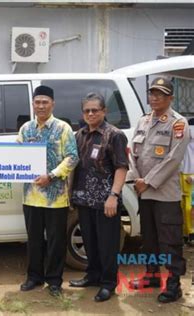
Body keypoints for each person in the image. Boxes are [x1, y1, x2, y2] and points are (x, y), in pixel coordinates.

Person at [127, 77, 189, 303]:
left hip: (164, 194)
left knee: (169, 240)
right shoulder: (143, 121)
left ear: (170, 98)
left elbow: (174, 159)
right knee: (149, 239)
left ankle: (174, 285)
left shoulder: (178, 123)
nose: (154, 98)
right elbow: (132, 152)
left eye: (160, 94)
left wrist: (149, 181)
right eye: (152, 93)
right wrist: (135, 178)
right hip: (143, 191)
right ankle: (152, 277)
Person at [17, 85, 79, 297]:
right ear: (33, 104)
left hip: (56, 199)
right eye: (38, 102)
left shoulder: (63, 128)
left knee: (56, 241)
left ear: (53, 104)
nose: (41, 105)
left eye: (45, 102)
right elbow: (15, 156)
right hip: (30, 197)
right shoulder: (26, 129)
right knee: (33, 239)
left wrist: (51, 175)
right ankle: (34, 277)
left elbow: (72, 157)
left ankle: (54, 280)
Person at [69, 93, 128, 302]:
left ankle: (108, 283)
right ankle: (92, 276)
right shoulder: (80, 135)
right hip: (84, 200)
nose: (91, 113)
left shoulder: (115, 135)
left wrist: (114, 195)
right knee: (90, 242)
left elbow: (122, 167)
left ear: (104, 111)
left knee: (107, 244)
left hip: (106, 202)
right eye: (87, 110)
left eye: (95, 110)